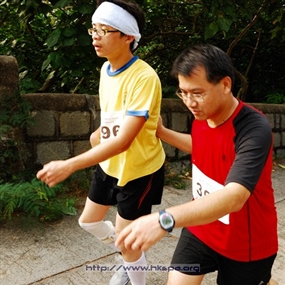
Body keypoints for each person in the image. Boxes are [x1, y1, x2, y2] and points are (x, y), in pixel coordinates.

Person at [116, 44, 278, 285]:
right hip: (202, 226)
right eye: (183, 93)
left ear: (225, 85)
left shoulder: (254, 128)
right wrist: (161, 132)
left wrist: (164, 219)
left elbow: (234, 197)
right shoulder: (203, 115)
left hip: (246, 244)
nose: (190, 102)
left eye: (197, 93)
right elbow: (204, 145)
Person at [36, 1, 165, 285]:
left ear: (128, 36)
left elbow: (125, 141)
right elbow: (114, 118)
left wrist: (70, 164)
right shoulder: (106, 69)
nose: (95, 36)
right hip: (109, 163)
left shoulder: (144, 77)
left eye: (104, 30)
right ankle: (129, 256)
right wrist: (99, 133)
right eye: (94, 29)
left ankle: (134, 271)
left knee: (128, 242)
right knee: (89, 222)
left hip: (138, 169)